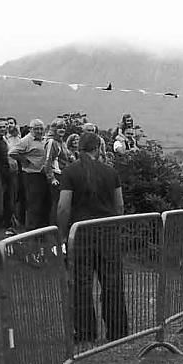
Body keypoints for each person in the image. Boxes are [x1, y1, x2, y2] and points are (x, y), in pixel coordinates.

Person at [57, 132, 127, 343]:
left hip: (81, 234)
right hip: (108, 232)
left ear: (80, 149)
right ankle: (117, 331)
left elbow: (63, 206)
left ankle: (86, 331)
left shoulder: (70, 172)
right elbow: (120, 205)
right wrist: (115, 225)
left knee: (82, 283)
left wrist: (62, 234)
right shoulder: (110, 172)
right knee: (112, 283)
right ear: (98, 148)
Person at [8, 119, 50, 230]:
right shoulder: (26, 140)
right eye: (36, 128)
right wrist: (24, 160)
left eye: (41, 128)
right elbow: (12, 152)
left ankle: (41, 230)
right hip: (31, 175)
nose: (39, 131)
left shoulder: (44, 139)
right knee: (33, 204)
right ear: (31, 129)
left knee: (43, 203)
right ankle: (31, 231)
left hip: (42, 174)